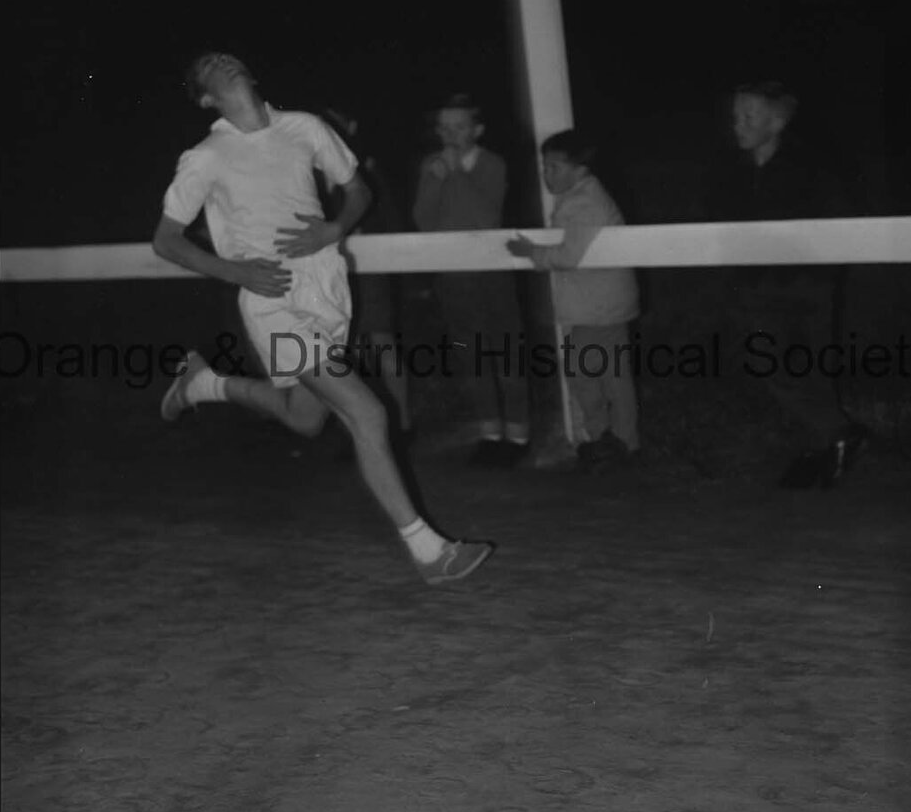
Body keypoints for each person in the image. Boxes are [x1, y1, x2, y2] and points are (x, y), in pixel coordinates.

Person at [151, 52, 493, 584]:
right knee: (367, 412)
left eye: (230, 57)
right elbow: (166, 240)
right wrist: (235, 271)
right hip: (272, 299)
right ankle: (429, 551)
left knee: (304, 417)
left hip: (327, 287)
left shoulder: (305, 127)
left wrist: (333, 229)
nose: (225, 62)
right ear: (205, 98)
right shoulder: (206, 156)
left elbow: (359, 192)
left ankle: (204, 385)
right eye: (211, 66)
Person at [707, 79, 868, 487]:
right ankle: (837, 435)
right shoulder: (731, 169)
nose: (738, 124)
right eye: (735, 116)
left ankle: (831, 445)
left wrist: (811, 272)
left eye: (749, 116)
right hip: (759, 289)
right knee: (771, 366)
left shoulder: (812, 166)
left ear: (776, 122)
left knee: (808, 370)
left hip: (806, 287)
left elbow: (839, 223)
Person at [507, 130, 640, 473]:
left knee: (588, 374)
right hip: (598, 304)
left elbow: (568, 255)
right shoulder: (579, 196)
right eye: (544, 166)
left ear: (580, 169)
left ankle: (611, 439)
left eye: (554, 166)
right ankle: (617, 441)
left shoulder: (585, 203)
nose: (546, 173)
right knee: (609, 376)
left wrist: (531, 252)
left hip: (598, 308)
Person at [412, 93, 530, 466]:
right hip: (453, 277)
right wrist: (435, 180)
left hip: (493, 273)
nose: (450, 135)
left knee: (506, 352)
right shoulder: (432, 165)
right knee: (472, 356)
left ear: (477, 130)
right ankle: (490, 434)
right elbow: (423, 221)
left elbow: (485, 216)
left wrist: (457, 173)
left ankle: (519, 434)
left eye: (459, 127)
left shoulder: (492, 164)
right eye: (444, 128)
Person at [321, 107, 412, 442]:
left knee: (383, 343)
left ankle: (402, 425)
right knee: (344, 350)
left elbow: (392, 222)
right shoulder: (312, 177)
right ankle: (357, 429)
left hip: (369, 272)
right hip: (332, 274)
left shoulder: (366, 171)